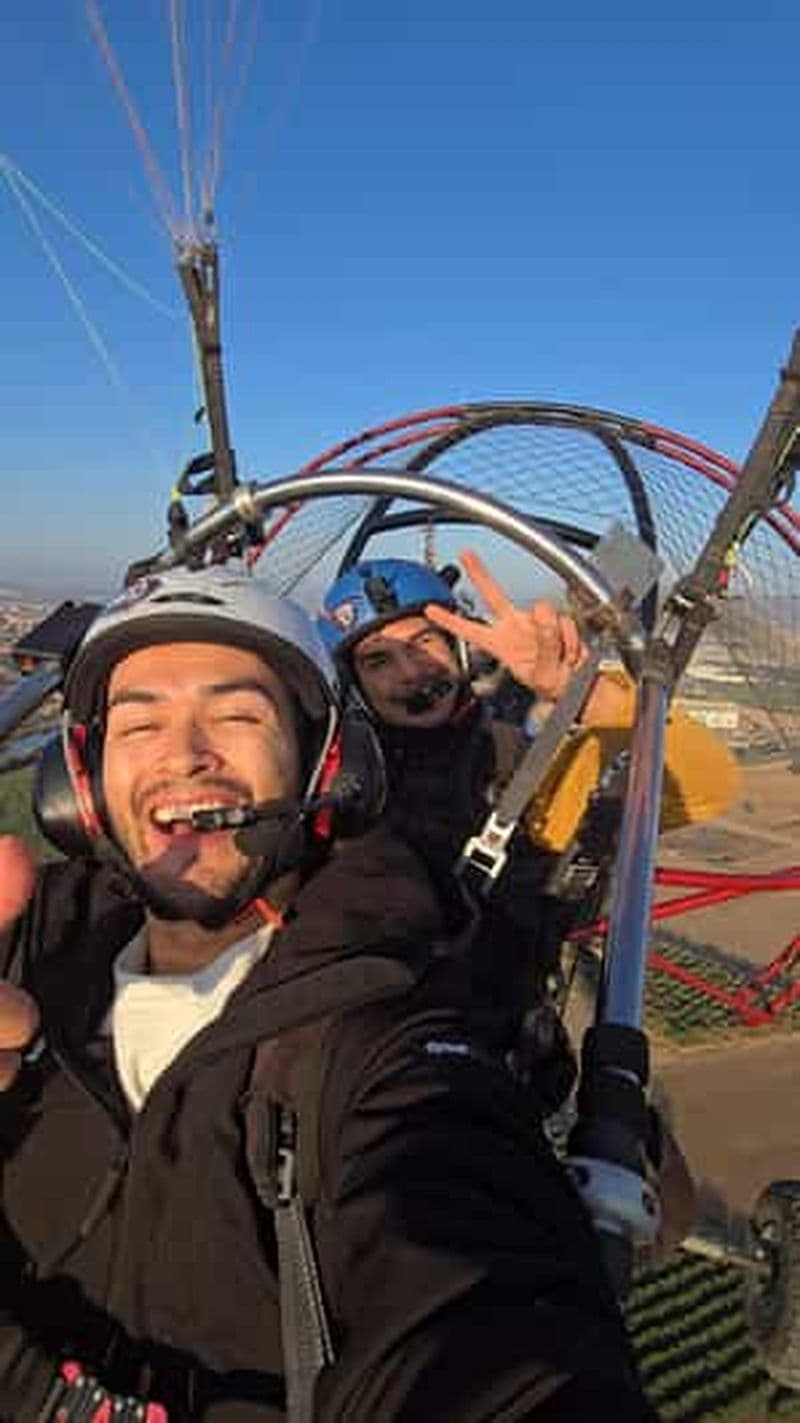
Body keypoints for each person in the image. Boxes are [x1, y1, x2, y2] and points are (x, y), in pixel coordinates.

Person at [0, 567, 658, 1423]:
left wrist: (592, 701)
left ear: (329, 763)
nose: (184, 752)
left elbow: (480, 1320)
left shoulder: (373, 1043)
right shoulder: (37, 941)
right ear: (79, 786)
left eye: (238, 715)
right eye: (140, 722)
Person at [318, 550, 741, 1095]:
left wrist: (583, 693)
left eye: (425, 642)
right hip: (350, 1062)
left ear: (460, 647)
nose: (410, 671)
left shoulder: (524, 769)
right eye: (379, 660)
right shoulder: (333, 779)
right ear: (354, 683)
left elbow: (706, 779)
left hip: (492, 1060)